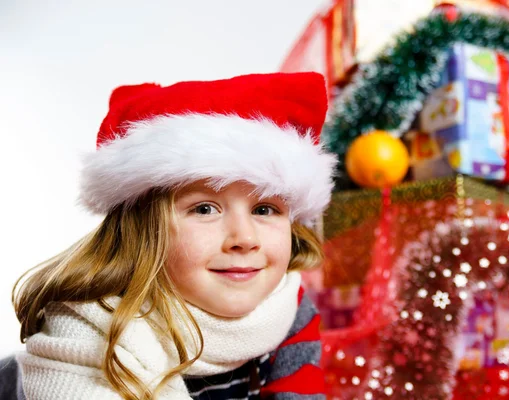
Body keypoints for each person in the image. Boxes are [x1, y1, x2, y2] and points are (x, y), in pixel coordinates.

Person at [12, 72, 337, 399]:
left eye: (264, 209)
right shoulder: (88, 329)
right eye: (205, 209)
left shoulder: (287, 306)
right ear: (143, 231)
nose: (245, 238)